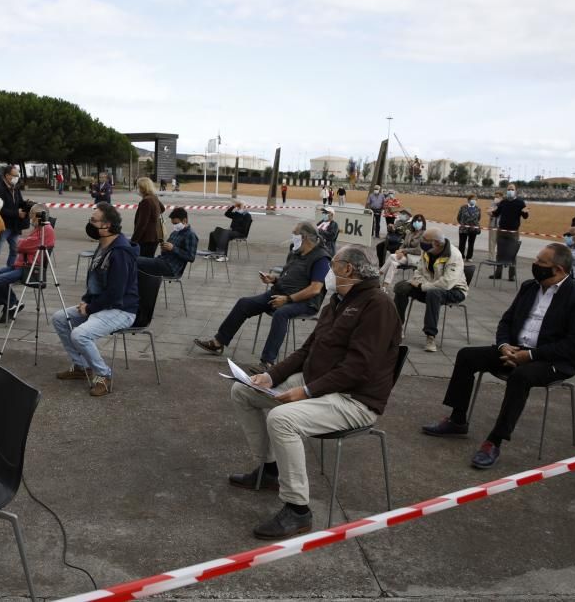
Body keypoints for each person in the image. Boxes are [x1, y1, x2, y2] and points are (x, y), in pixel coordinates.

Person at [227, 246, 401, 539]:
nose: (329, 272)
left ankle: (298, 509)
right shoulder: (338, 300)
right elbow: (307, 349)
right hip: (322, 386)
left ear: (348, 269)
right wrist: (271, 376)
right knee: (242, 391)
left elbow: (359, 367)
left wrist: (306, 391)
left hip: (355, 400)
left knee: (281, 419)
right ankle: (270, 470)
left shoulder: (378, 305)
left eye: (333, 265)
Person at [422, 244, 575, 468]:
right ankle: (457, 419)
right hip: (514, 349)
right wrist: (504, 346)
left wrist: (530, 355)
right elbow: (507, 320)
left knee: (520, 376)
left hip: (552, 361)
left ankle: (495, 441)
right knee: (467, 356)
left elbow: (574, 346)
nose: (535, 266)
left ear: (559, 270)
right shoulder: (529, 287)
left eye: (542, 263)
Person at [194, 222, 330, 373]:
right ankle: (219, 342)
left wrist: (288, 299)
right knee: (244, 303)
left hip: (304, 302)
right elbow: (291, 277)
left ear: (304, 237)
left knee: (281, 313)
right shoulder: (295, 252)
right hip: (279, 294)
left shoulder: (321, 259)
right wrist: (275, 279)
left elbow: (315, 289)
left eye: (295, 233)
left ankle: (267, 362)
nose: (292, 236)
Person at [52, 203, 138, 397]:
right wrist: (86, 302)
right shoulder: (104, 245)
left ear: (106, 225)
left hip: (122, 310)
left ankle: (104, 375)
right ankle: (81, 367)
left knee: (80, 335)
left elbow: (116, 293)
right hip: (102, 305)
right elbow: (95, 282)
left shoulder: (120, 252)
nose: (89, 224)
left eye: (93, 220)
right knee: (60, 318)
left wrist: (90, 308)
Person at [393, 228, 469, 353]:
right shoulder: (427, 250)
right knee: (401, 287)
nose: (422, 243)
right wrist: (419, 282)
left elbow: (447, 283)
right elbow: (419, 271)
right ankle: (397, 327)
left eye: (426, 241)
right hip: (429, 285)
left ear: (438, 243)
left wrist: (422, 286)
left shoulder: (454, 255)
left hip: (454, 290)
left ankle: (430, 336)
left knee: (434, 294)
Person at [0, 204, 55, 323]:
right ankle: (11, 304)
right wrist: (23, 243)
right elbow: (23, 245)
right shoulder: (39, 228)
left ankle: (11, 304)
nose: (30, 219)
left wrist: (22, 243)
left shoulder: (45, 230)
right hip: (21, 264)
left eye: (32, 216)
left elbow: (21, 246)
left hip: (29, 269)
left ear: (38, 216)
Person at [137, 207, 198, 278]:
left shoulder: (190, 235)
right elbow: (168, 250)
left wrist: (173, 248)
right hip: (162, 261)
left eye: (176, 223)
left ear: (184, 220)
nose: (175, 226)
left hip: (171, 267)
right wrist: (164, 248)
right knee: (135, 261)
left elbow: (191, 257)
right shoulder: (175, 232)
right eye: (173, 224)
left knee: (137, 261)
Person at [489, 184, 528, 281]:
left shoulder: (520, 202)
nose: (510, 191)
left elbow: (525, 216)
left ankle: (512, 275)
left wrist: (525, 212)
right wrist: (491, 213)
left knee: (512, 254)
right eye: (508, 189)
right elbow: (497, 213)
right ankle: (498, 273)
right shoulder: (503, 202)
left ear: (515, 191)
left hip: (513, 232)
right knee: (500, 253)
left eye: (512, 189)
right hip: (501, 231)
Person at [0, 164, 28, 269]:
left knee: (15, 250)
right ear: (7, 175)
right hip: (4, 225)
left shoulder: (16, 187)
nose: (17, 178)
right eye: (15, 175)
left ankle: (10, 270)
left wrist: (28, 205)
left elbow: (20, 202)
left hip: (15, 225)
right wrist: (16, 213)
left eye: (18, 175)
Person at [379, 213, 427, 290]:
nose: (417, 222)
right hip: (403, 257)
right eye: (415, 220)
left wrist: (403, 251)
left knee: (392, 256)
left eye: (419, 220)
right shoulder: (410, 233)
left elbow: (418, 250)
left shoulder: (424, 235)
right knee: (393, 264)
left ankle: (380, 273)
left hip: (414, 258)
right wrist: (399, 251)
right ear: (413, 222)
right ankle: (385, 287)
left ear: (423, 222)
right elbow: (403, 244)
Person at [131, 177, 164, 258]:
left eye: (138, 187)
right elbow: (162, 208)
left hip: (146, 239)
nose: (137, 189)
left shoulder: (146, 201)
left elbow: (142, 224)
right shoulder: (154, 197)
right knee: (149, 260)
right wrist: (153, 217)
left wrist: (133, 240)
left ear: (142, 188)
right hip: (154, 237)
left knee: (142, 263)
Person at [456, 194, 481, 261]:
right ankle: (461, 256)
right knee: (462, 243)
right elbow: (458, 217)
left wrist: (473, 225)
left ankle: (469, 257)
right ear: (468, 200)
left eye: (475, 199)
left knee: (471, 243)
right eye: (472, 199)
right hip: (463, 229)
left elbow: (478, 218)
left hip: (473, 229)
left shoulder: (478, 208)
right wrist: (463, 224)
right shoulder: (463, 207)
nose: (474, 201)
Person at [487, 190, 504, 256]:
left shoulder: (504, 204)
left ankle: (500, 257)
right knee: (491, 242)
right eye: (495, 197)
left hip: (501, 226)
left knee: (501, 242)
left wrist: (494, 211)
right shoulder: (492, 203)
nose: (496, 198)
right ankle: (491, 257)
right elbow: (489, 212)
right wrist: (490, 212)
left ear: (501, 197)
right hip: (492, 225)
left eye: (498, 197)